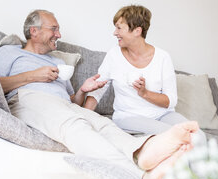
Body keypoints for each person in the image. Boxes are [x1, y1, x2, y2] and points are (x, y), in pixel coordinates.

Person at [0, 9, 199, 179]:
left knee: (104, 125)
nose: (59, 35)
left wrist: (83, 89)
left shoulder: (57, 61)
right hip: (29, 98)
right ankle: (140, 178)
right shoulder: (9, 53)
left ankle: (143, 153)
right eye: (54, 29)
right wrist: (33, 76)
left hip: (63, 104)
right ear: (33, 31)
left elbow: (72, 100)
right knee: (76, 125)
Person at [84, 5, 206, 144]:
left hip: (163, 114)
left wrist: (145, 93)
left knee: (198, 136)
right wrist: (84, 118)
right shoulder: (114, 55)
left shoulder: (162, 57)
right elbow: (98, 89)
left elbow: (171, 101)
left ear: (137, 31)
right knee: (176, 136)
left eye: (119, 28)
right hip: (128, 117)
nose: (114, 33)